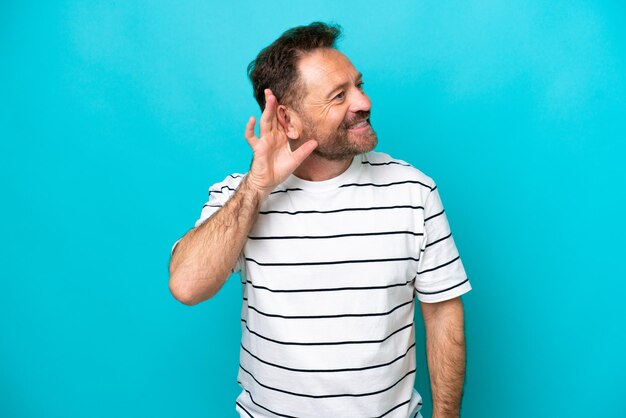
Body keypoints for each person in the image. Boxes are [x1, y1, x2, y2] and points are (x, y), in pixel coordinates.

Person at [169, 22, 472, 418]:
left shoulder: (413, 191)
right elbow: (187, 286)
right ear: (288, 121)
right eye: (339, 96)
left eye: (358, 86)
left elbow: (443, 310)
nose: (362, 102)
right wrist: (257, 187)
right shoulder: (238, 197)